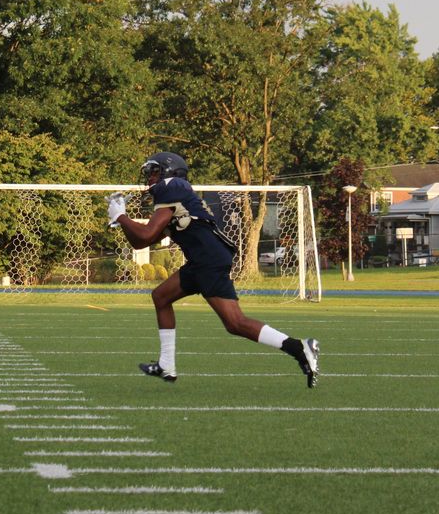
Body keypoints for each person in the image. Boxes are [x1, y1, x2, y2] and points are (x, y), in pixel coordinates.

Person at [107, 152, 319, 387]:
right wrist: (121, 220)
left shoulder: (173, 186)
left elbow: (145, 234)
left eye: (154, 171)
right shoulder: (173, 194)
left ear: (169, 172)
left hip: (207, 259)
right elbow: (141, 242)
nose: (149, 177)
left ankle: (299, 347)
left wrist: (122, 217)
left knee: (235, 323)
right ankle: (167, 364)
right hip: (201, 260)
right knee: (161, 296)